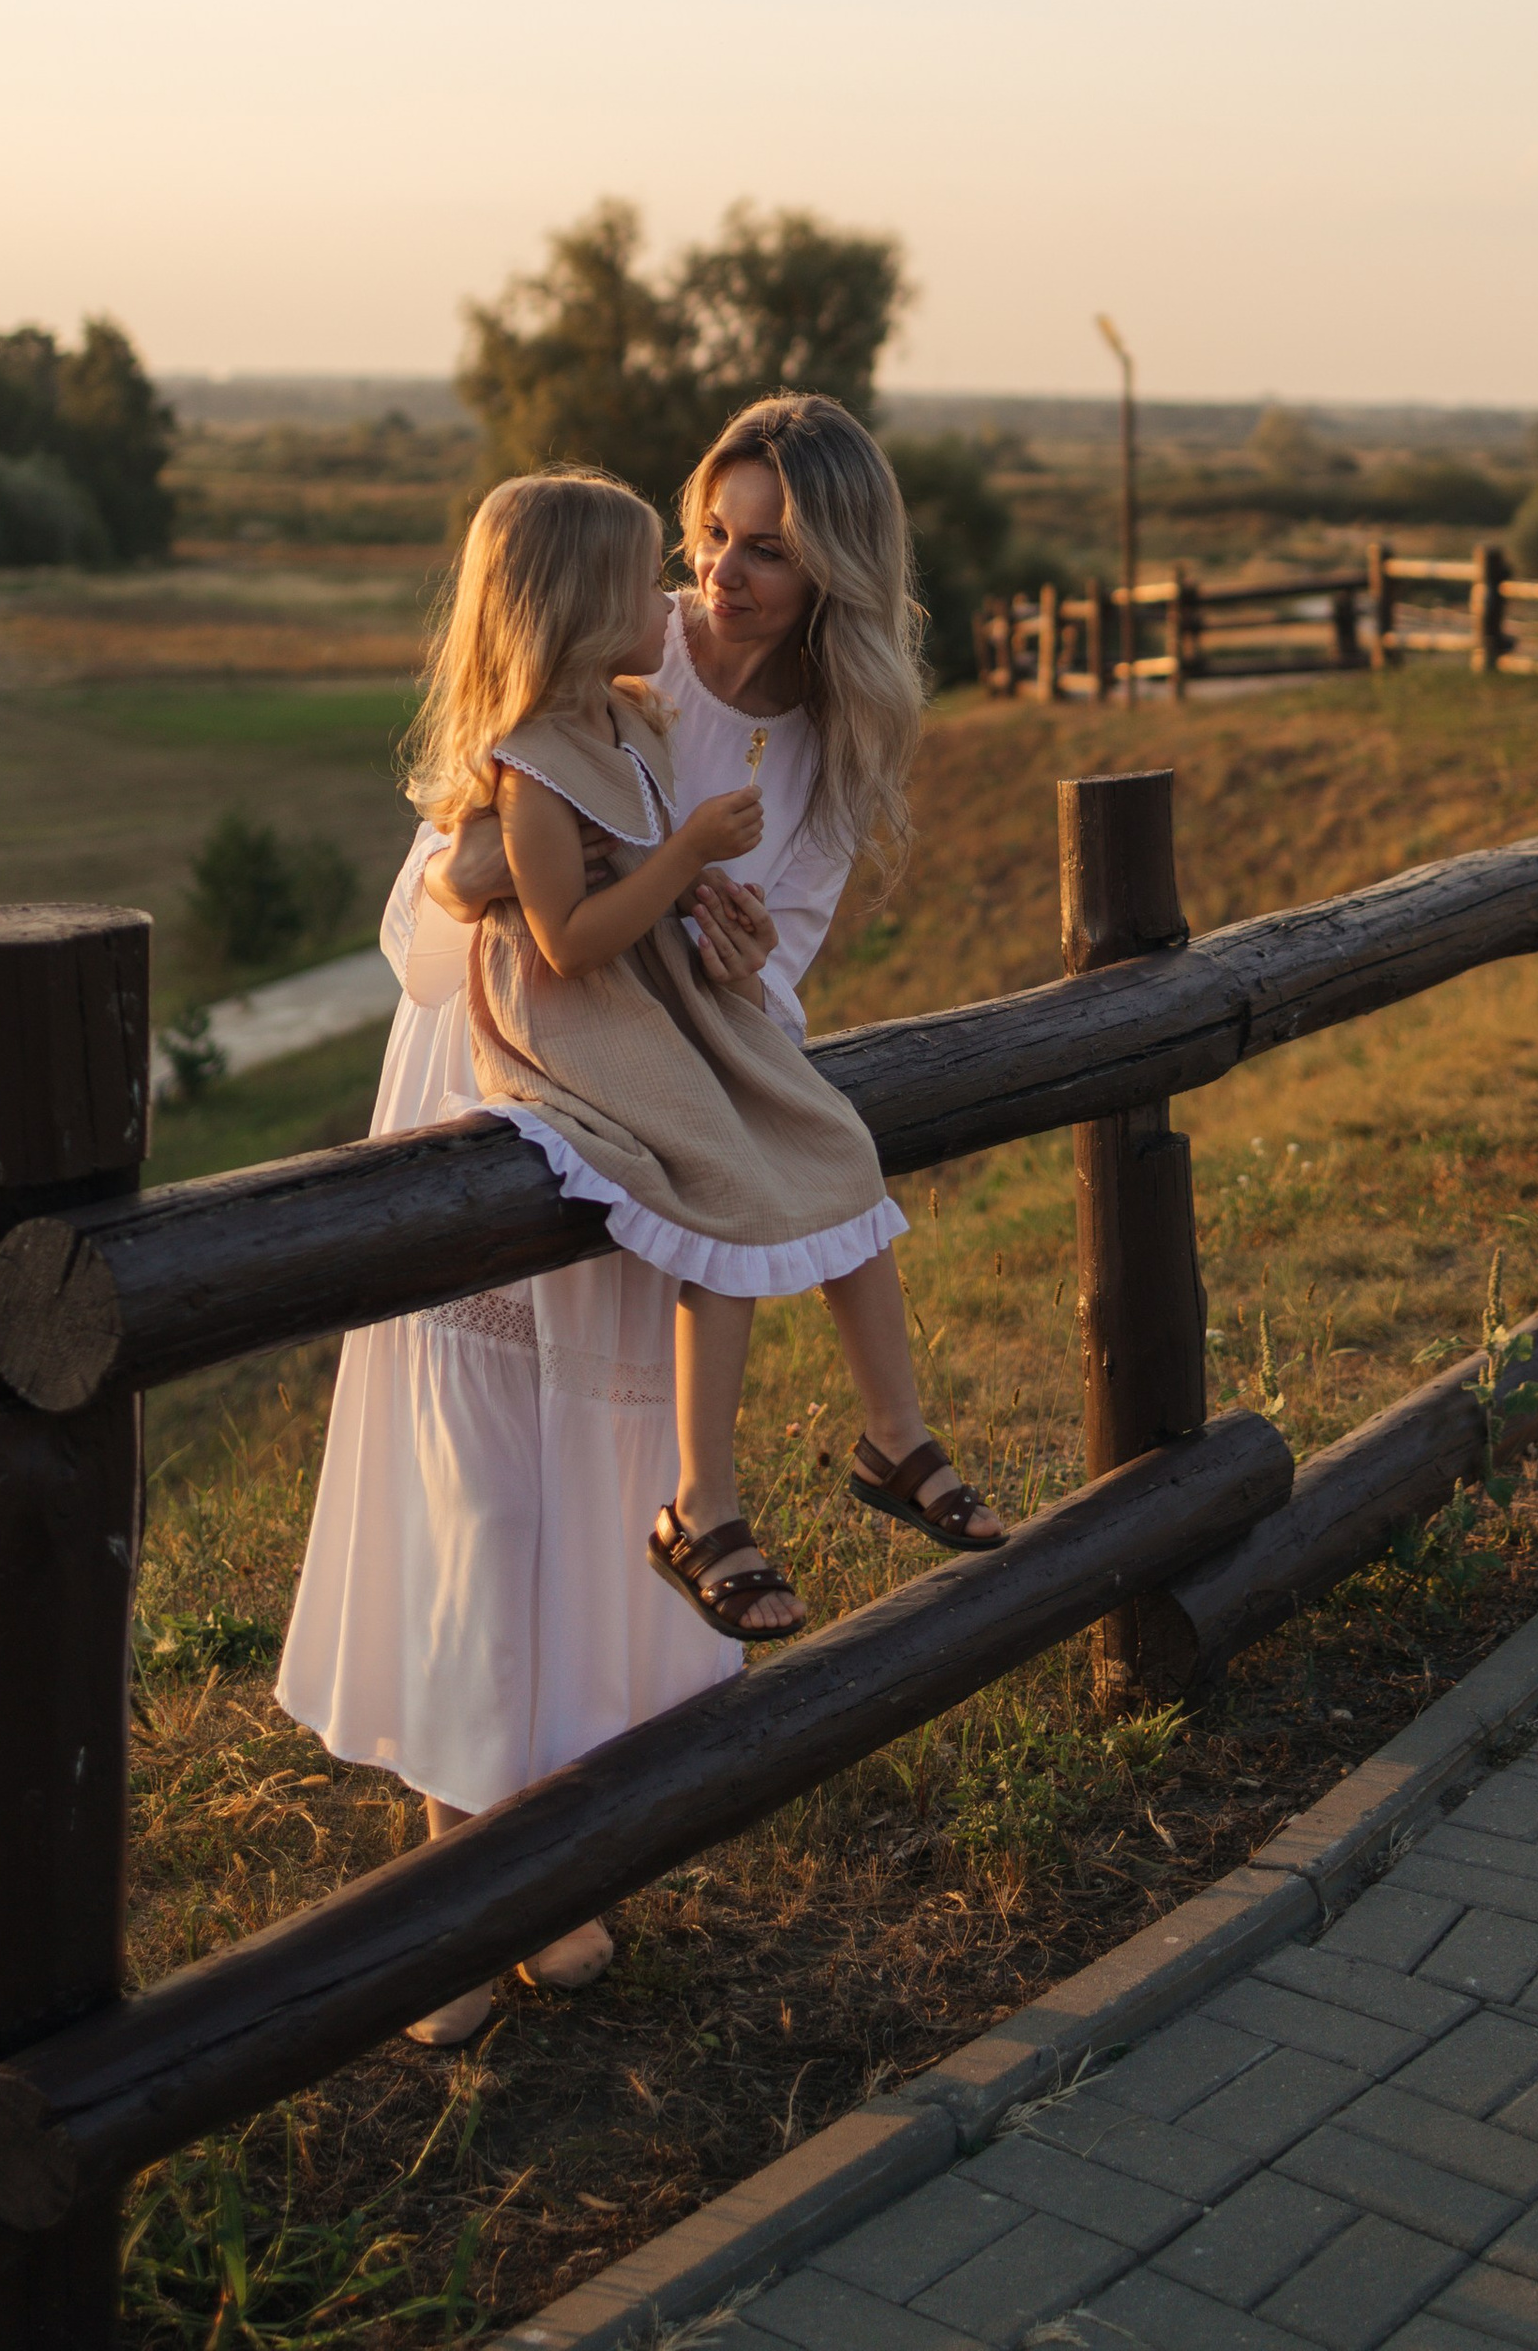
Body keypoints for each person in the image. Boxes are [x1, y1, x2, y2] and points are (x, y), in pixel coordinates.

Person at [275, 395, 1002, 2045]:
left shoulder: (827, 739)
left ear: (835, 577)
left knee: (601, 1482)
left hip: (654, 1115)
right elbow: (432, 900)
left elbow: (781, 972)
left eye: (769, 552)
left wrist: (734, 942)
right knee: (478, 1476)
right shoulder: (605, 636)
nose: (723, 578)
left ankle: (562, 1870)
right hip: (493, 1072)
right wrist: (547, 901)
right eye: (716, 535)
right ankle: (460, 1898)